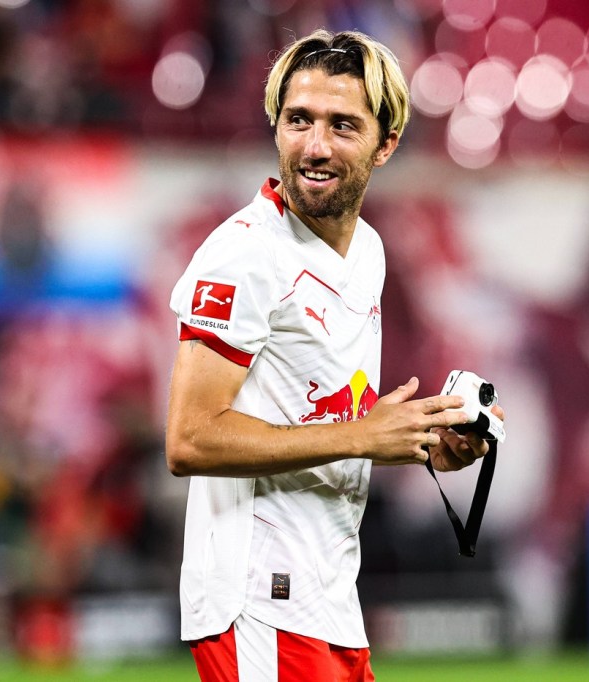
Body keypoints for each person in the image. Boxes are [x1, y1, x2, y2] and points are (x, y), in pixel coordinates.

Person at [166, 28, 503, 681]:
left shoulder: (367, 251)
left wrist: (421, 441)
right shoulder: (243, 255)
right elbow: (189, 439)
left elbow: (322, 414)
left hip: (330, 596)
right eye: (299, 120)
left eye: (342, 125)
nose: (315, 146)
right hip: (258, 598)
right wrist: (362, 436)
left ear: (386, 144)